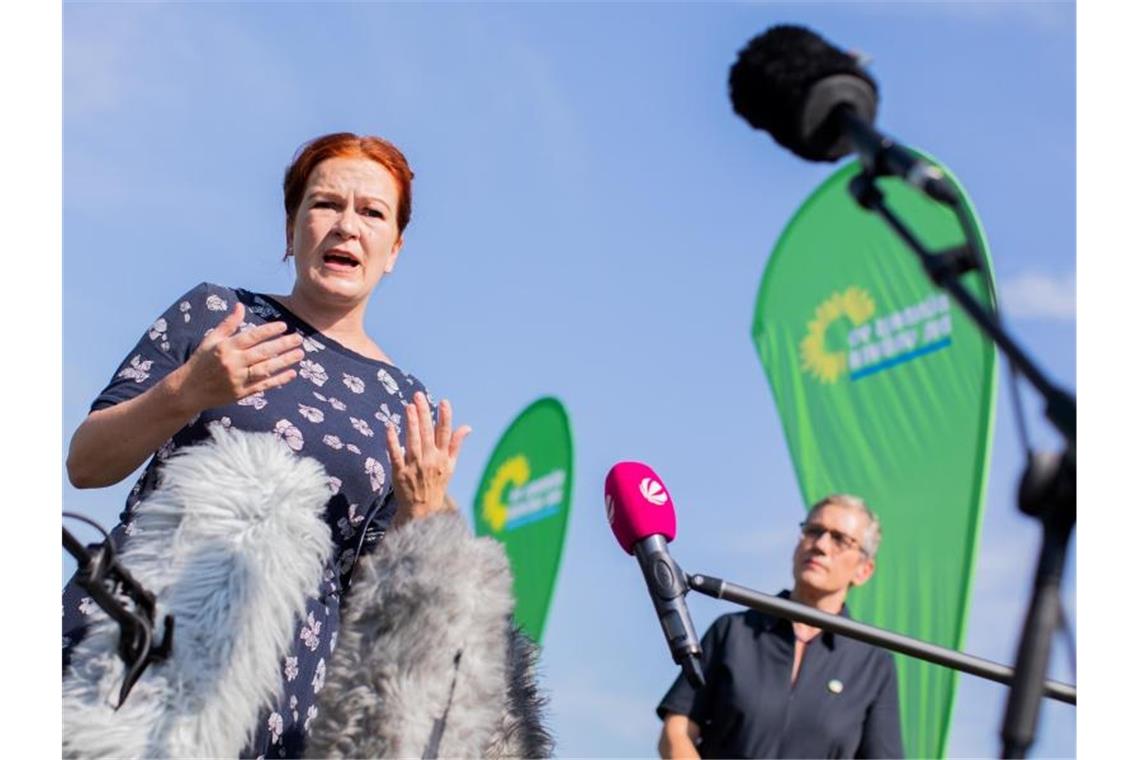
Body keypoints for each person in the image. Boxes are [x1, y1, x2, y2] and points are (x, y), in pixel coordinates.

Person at [62, 132, 471, 758]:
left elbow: (374, 605)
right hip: (127, 658)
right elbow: (87, 464)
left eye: (372, 213)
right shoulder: (218, 314)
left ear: (395, 249)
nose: (346, 227)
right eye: (326, 205)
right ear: (291, 226)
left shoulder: (401, 399)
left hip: (272, 705)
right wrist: (186, 391)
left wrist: (419, 515)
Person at [657, 494, 904, 759]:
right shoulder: (732, 632)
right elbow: (676, 731)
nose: (820, 545)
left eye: (840, 539)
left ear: (864, 570)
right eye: (814, 531)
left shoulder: (874, 665)